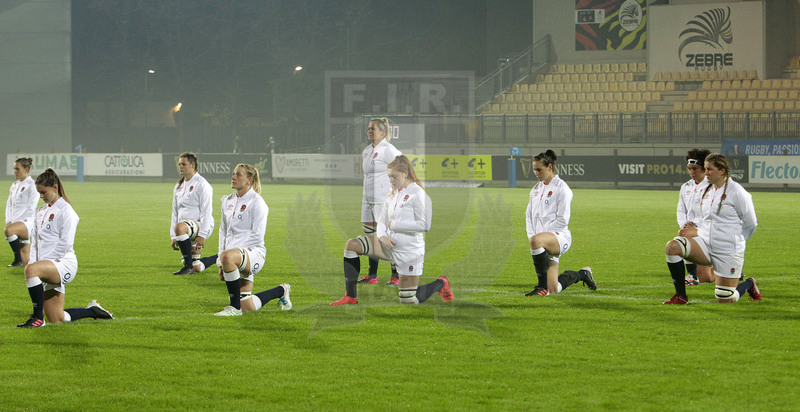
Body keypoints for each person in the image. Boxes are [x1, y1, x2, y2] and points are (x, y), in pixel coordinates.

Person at [330, 155, 453, 305]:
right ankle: (350, 297)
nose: (391, 180)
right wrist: (382, 237)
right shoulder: (392, 194)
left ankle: (441, 283)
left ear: (405, 173)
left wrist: (394, 225)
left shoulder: (418, 194)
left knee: (408, 300)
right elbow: (381, 221)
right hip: (387, 247)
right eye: (389, 176)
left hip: (409, 252)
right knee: (352, 245)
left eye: (394, 176)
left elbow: (425, 225)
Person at [17, 168, 113, 328]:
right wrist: (34, 263)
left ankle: (37, 318)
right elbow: (35, 243)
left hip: (63, 263)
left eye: (43, 192)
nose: (40, 196)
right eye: (38, 192)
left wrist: (37, 268)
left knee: (31, 271)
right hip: (46, 266)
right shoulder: (41, 211)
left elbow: (65, 244)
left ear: (55, 188)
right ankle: (93, 311)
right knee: (57, 318)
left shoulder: (66, 211)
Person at [663, 154, 761, 304]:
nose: (706, 172)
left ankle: (749, 284)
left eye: (710, 169)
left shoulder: (738, 192)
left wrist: (736, 241)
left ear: (722, 170)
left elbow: (751, 223)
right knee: (673, 247)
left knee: (725, 298)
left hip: (727, 249)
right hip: (705, 244)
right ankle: (681, 296)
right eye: (706, 169)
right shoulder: (707, 190)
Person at [214, 164, 291, 316]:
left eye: (238, 175)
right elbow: (223, 231)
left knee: (228, 256)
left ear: (249, 180)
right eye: (233, 174)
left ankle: (233, 309)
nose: (233, 177)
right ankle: (282, 290)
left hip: (253, 253)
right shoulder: (227, 201)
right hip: (235, 257)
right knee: (247, 305)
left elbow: (257, 236)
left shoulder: (257, 203)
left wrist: (229, 257)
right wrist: (220, 261)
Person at [524, 150, 596, 296]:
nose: (536, 173)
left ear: (550, 167)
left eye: (539, 169)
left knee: (536, 241)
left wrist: (539, 238)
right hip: (543, 241)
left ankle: (540, 287)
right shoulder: (536, 189)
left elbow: (563, 220)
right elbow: (528, 216)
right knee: (554, 289)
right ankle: (583, 274)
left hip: (559, 237)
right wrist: (533, 237)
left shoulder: (562, 188)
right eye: (534, 170)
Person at [358, 117, 403, 286]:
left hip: (382, 202)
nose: (369, 131)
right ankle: (372, 275)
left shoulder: (388, 149)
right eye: (368, 129)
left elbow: (403, 165)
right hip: (367, 201)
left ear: (382, 132)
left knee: (386, 237)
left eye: (372, 129)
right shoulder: (366, 150)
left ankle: (396, 275)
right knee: (371, 237)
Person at [170, 152, 216, 275]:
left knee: (180, 227)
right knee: (197, 266)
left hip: (201, 225)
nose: (180, 166)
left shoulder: (202, 184)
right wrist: (173, 236)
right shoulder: (179, 185)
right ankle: (219, 256)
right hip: (185, 229)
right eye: (179, 164)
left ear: (192, 165)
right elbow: (175, 211)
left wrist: (202, 235)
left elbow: (207, 211)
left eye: (183, 164)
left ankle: (187, 267)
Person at [677, 148, 713, 286]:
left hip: (707, 230)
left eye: (695, 168)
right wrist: (685, 224)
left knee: (682, 235)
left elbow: (708, 211)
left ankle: (692, 276)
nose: (692, 172)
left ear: (704, 168)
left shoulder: (712, 186)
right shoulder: (685, 186)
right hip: (691, 231)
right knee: (707, 278)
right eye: (689, 168)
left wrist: (694, 224)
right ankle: (733, 271)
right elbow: (680, 210)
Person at [5, 157, 38, 267]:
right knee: (27, 263)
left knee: (9, 230)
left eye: (17, 169)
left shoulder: (32, 185)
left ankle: (17, 260)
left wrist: (17, 223)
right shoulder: (14, 185)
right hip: (16, 223)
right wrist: (9, 220)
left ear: (26, 170)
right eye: (14, 168)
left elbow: (31, 207)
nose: (15, 171)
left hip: (27, 222)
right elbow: (9, 205)